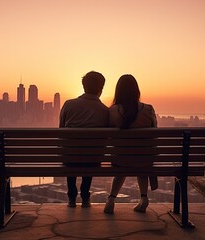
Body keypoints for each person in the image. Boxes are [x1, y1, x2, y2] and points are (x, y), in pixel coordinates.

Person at [103, 74, 158, 214]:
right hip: (144, 160)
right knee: (141, 161)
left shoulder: (113, 110)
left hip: (121, 159)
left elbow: (108, 133)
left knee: (124, 160)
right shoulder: (148, 109)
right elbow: (155, 132)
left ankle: (111, 199)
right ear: (136, 90)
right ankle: (144, 197)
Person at [59, 71, 109, 208]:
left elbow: (61, 131)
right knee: (91, 151)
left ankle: (71, 195)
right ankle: (85, 195)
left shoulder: (68, 105)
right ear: (101, 89)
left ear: (83, 86)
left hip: (70, 159)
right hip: (92, 160)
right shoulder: (105, 110)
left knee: (71, 149)